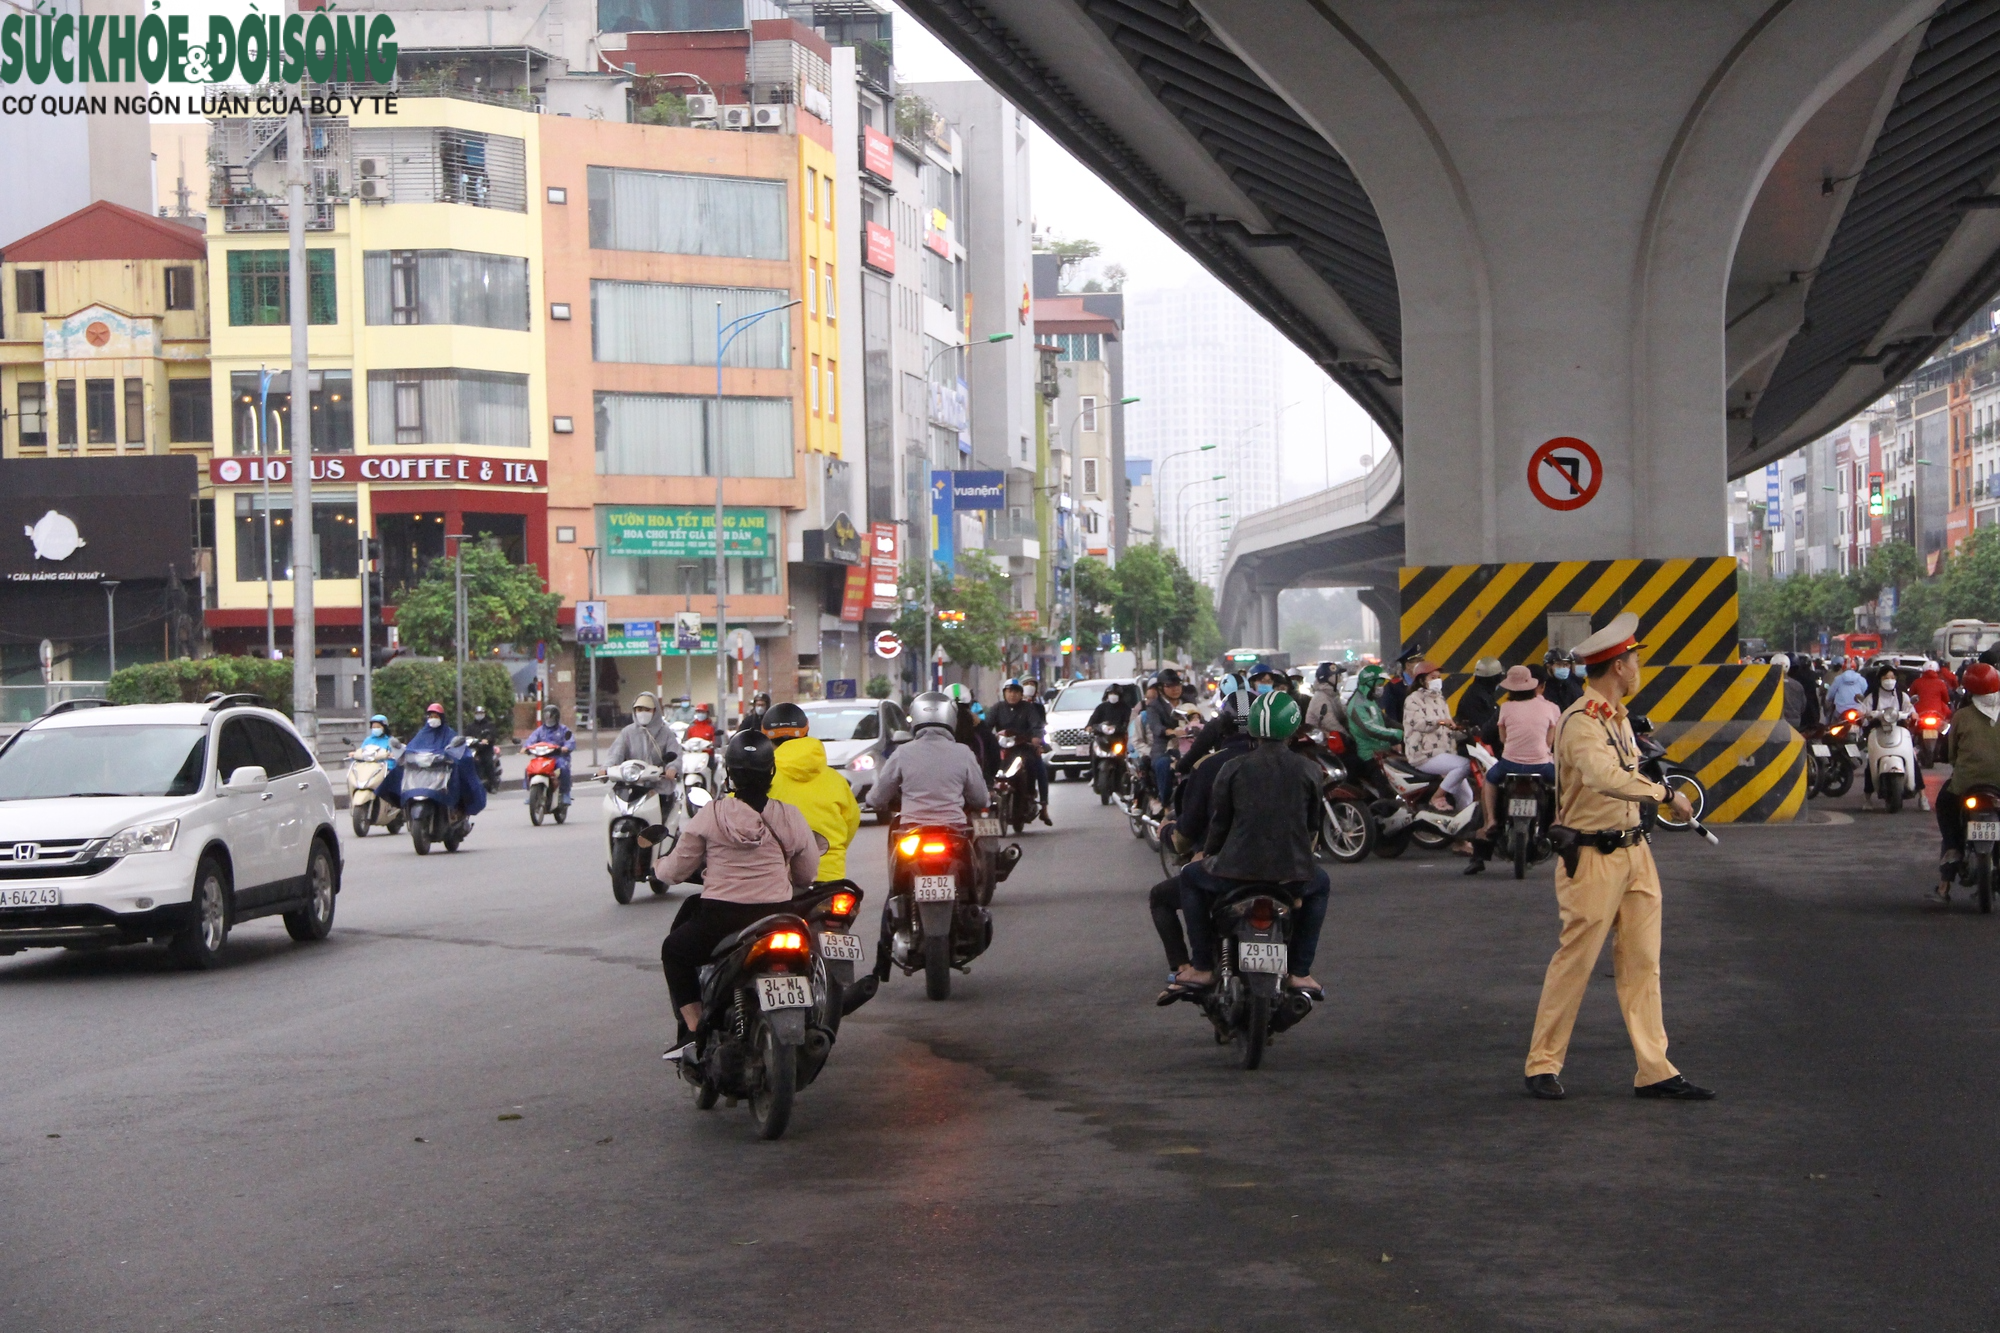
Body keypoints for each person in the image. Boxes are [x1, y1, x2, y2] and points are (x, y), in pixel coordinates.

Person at [1523, 611, 1711, 1102]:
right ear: (1619, 667)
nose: (1638, 667)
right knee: (1576, 961)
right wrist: (1665, 794)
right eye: (1634, 659)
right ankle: (1542, 1064)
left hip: (1634, 851)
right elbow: (1605, 777)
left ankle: (1655, 1069)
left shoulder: (1619, 718)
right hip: (1592, 855)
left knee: (1644, 964)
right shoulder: (1582, 722)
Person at [657, 729, 822, 1060]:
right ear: (771, 771)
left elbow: (675, 870)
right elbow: (807, 874)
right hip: (777, 917)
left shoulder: (712, 815)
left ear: (729, 773)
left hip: (721, 918)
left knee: (674, 951)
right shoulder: (790, 816)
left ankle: (693, 1030)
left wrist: (658, 869)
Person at [1164, 690, 1330, 1004]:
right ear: (1293, 728)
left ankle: (1200, 966)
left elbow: (1220, 824)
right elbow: (1311, 825)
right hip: (1292, 875)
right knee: (1320, 885)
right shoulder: (1309, 770)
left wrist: (1210, 854)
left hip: (1234, 871)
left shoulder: (1233, 768)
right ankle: (1300, 972)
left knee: (1189, 878)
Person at [866, 692, 991, 979]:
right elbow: (980, 796)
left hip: (912, 834)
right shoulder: (963, 753)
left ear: (916, 719)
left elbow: (878, 796)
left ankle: (882, 962)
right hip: (954, 835)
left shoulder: (902, 753)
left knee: (895, 894)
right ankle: (971, 913)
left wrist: (873, 803)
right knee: (972, 892)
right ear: (950, 719)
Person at [1149, 690, 1256, 997]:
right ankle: (1300, 971)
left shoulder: (1211, 767)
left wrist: (1172, 835)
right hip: (1285, 871)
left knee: (1170, 891)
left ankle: (1195, 967)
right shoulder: (1294, 765)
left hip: (1225, 868)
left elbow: (1187, 832)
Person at [1466, 665, 1562, 875]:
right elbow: (1556, 738)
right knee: (1564, 786)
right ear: (1539, 686)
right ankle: (1558, 820)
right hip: (1542, 764)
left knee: (1488, 787)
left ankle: (1482, 846)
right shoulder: (1552, 708)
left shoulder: (1505, 708)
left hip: (1508, 764)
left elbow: (1491, 736)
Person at [765, 701, 862, 887]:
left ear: (766, 738)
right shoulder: (836, 781)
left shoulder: (760, 779)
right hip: (829, 878)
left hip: (778, 879)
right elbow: (851, 823)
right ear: (806, 732)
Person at [1933, 662, 2000, 904]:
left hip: (1966, 784)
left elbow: (1951, 755)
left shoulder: (1961, 716)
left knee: (1944, 803)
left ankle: (1951, 853)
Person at [1401, 660, 1474, 815]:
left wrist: (1461, 730)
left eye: (1438, 677)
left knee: (1467, 796)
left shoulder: (1440, 699)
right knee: (1464, 765)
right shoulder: (1412, 699)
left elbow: (1448, 727)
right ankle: (1437, 797)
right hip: (1423, 755)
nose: (1437, 681)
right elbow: (1420, 724)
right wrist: (1440, 721)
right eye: (1432, 677)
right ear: (1422, 680)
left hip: (1443, 752)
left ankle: (1459, 835)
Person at [604, 689, 682, 823]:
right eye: (639, 709)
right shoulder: (628, 732)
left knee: (661, 822)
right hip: (631, 785)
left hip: (659, 786)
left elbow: (676, 754)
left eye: (647, 709)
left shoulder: (666, 733)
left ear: (655, 711)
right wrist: (607, 767)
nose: (642, 713)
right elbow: (616, 753)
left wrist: (672, 768)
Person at [987, 678, 1054, 825]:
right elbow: (986, 726)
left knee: (1038, 767)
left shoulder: (1029, 708)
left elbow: (1037, 726)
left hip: (1023, 749)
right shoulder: (997, 708)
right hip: (1002, 750)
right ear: (1004, 693)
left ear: (1021, 694)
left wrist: (1036, 738)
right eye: (1010, 691)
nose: (1013, 695)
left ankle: (1042, 804)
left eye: (1016, 692)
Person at [1141, 669, 1191, 809]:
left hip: (1188, 746)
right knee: (1163, 764)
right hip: (1164, 748)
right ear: (1161, 688)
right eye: (1170, 686)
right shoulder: (1154, 706)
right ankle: (1165, 803)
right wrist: (1171, 732)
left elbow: (1200, 719)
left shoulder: (1188, 701)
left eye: (1178, 685)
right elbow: (1156, 727)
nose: (1176, 689)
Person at [1345, 664, 1404, 763]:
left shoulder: (1370, 700)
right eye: (1379, 685)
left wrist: (1405, 729)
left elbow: (1386, 720)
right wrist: (1397, 734)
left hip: (1382, 752)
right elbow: (1369, 728)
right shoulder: (1357, 704)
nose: (1381, 688)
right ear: (1370, 683)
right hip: (1368, 756)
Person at [523, 703, 575, 808]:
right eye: (546, 716)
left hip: (558, 757)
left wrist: (566, 747)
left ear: (556, 717)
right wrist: (526, 747)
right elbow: (531, 740)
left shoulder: (563, 730)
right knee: (529, 768)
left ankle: (565, 793)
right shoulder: (540, 730)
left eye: (551, 716)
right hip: (542, 757)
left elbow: (570, 740)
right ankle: (532, 793)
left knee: (563, 768)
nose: (549, 718)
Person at [1020, 678, 1052, 810]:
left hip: (1032, 747)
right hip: (1014, 746)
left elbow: (1040, 727)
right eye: (1026, 684)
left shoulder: (1038, 708)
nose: (1029, 687)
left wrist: (1038, 744)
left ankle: (1043, 806)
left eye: (1032, 685)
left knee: (1041, 771)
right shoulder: (1007, 708)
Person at [1455, 658, 1506, 739]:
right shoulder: (1477, 699)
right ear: (1493, 679)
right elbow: (1486, 728)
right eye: (1499, 678)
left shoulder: (1481, 693)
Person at [1379, 649, 1421, 728]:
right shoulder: (1393, 686)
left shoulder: (1422, 683)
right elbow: (1391, 715)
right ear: (1408, 665)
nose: (1421, 664)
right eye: (1417, 662)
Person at [1305, 662, 1349, 736]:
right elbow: (1330, 722)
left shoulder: (1332, 695)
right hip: (1319, 741)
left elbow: (1342, 713)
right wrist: (1347, 736)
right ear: (1330, 679)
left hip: (1329, 739)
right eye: (1338, 676)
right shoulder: (1321, 697)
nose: (1341, 679)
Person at [1774, 654, 1806, 728]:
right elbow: (1803, 707)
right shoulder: (1798, 685)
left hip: (1777, 724)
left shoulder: (1770, 684)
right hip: (1795, 722)